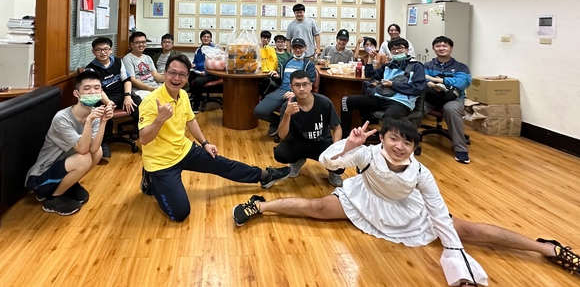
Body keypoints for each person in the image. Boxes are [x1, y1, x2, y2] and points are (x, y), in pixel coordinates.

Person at [232, 118, 580, 285]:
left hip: (408, 211)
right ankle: (260, 205)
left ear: (414, 147)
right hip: (364, 198)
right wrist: (349, 145)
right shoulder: (368, 154)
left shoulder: (421, 173)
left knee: (468, 230)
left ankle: (546, 247)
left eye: (407, 142)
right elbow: (328, 163)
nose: (399, 146)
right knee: (316, 208)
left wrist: (456, 255)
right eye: (393, 139)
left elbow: (438, 211)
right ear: (383, 138)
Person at [138, 54, 291, 222]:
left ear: (187, 77)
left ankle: (263, 175)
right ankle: (150, 180)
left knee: (222, 163)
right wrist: (160, 119)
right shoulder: (151, 102)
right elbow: (144, 139)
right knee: (180, 213)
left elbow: (191, 121)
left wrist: (205, 143)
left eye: (182, 74)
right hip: (161, 163)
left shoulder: (182, 95)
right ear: (165, 73)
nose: (176, 78)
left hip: (183, 150)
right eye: (172, 73)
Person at [26, 71, 112, 216]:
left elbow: (94, 148)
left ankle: (68, 185)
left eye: (97, 88)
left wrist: (103, 121)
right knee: (84, 158)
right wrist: (89, 121)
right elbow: (83, 150)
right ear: (77, 94)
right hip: (40, 177)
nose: (92, 92)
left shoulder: (95, 114)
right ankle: (53, 199)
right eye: (87, 88)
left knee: (98, 152)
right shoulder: (62, 118)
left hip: (64, 165)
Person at [275, 70, 343, 187]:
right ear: (291, 87)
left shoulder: (324, 102)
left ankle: (333, 172)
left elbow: (337, 128)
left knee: (340, 161)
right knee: (280, 153)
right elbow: (281, 135)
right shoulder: (288, 106)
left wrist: (335, 148)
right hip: (299, 142)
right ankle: (298, 160)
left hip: (321, 141)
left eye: (305, 84)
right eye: (297, 85)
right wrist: (287, 115)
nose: (301, 89)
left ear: (311, 86)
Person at [343, 38, 426, 125]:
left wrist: (393, 85)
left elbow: (418, 88)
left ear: (407, 50)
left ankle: (386, 134)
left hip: (400, 102)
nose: (396, 51)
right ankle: (345, 133)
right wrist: (370, 59)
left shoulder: (416, 66)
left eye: (400, 48)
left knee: (389, 116)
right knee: (346, 100)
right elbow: (370, 75)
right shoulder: (388, 65)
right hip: (380, 97)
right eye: (393, 49)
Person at [85, 36, 141, 158]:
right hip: (103, 97)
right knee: (101, 110)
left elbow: (126, 79)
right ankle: (103, 142)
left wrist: (127, 96)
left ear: (110, 50)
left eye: (106, 49)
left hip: (121, 94)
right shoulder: (90, 69)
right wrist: (108, 102)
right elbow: (97, 89)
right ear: (93, 52)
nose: (103, 52)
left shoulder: (118, 61)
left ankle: (138, 131)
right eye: (99, 50)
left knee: (138, 102)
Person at [423, 36, 472, 164]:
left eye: (444, 46)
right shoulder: (427, 65)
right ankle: (407, 142)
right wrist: (432, 84)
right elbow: (420, 79)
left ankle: (460, 149)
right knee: (414, 107)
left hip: (452, 99)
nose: (441, 48)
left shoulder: (461, 67)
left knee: (451, 109)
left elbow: (462, 82)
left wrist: (437, 79)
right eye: (438, 46)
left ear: (451, 48)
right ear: (433, 48)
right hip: (431, 98)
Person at [253, 38, 316, 137]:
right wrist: (277, 77)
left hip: (299, 92)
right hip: (282, 90)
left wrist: (295, 93)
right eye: (295, 47)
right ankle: (277, 122)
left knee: (285, 108)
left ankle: (283, 134)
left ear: (305, 48)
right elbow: (280, 82)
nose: (298, 50)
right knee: (259, 111)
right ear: (291, 48)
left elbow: (309, 82)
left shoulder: (309, 65)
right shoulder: (285, 63)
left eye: (300, 47)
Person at [122, 31, 165, 99]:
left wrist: (168, 77)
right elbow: (132, 80)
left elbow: (156, 76)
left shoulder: (148, 58)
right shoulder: (127, 59)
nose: (141, 44)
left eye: (143, 42)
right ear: (132, 44)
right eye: (137, 42)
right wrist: (151, 89)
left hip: (154, 86)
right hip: (141, 90)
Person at [188, 29, 219, 112]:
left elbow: (216, 65)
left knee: (198, 81)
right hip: (199, 72)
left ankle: (196, 104)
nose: (206, 38)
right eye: (204, 37)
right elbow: (195, 62)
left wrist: (205, 73)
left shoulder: (214, 51)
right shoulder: (198, 50)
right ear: (201, 38)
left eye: (208, 37)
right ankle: (194, 95)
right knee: (189, 74)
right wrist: (193, 65)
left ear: (211, 39)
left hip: (210, 73)